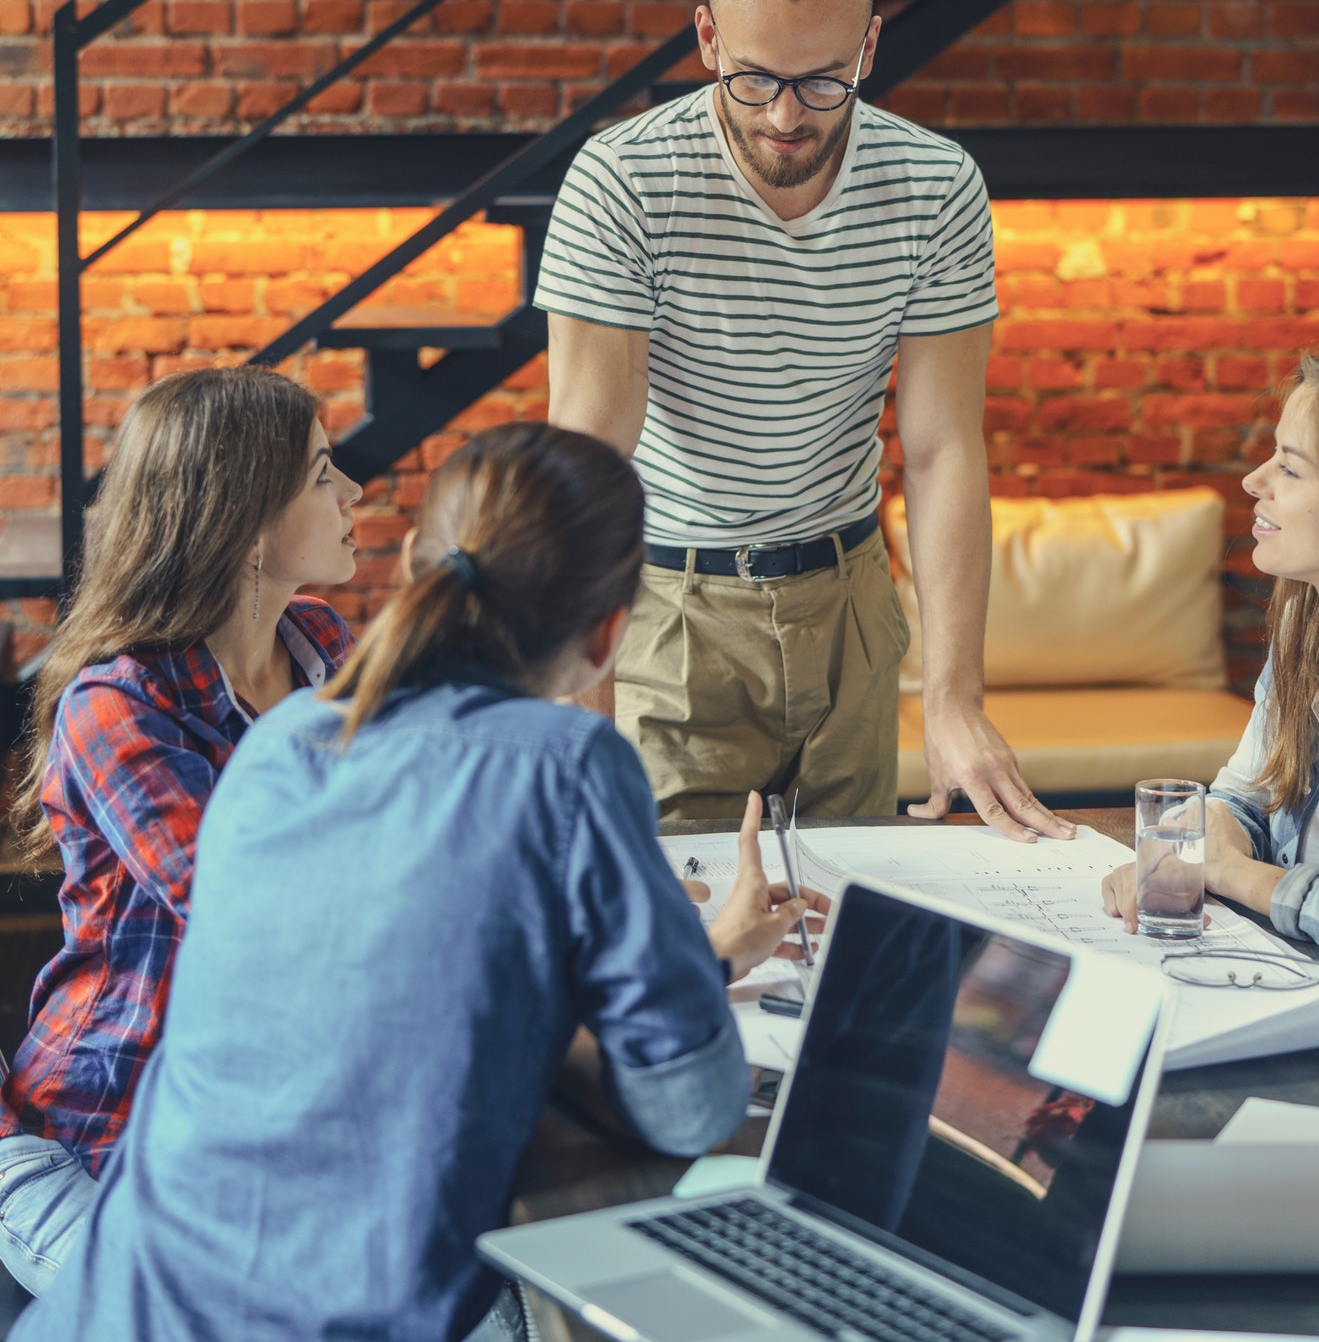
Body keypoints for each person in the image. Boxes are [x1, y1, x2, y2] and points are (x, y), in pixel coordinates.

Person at [11, 421, 825, 1342]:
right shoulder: (570, 762)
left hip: (116, 1304)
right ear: (608, 635)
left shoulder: (282, 738)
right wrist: (673, 968)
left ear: (415, 567)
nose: (351, 490)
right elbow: (688, 1103)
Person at [536, 0, 1071, 841]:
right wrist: (582, 707)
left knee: (855, 906)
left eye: (824, 82)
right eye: (755, 80)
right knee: (680, 933)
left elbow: (945, 449)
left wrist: (953, 698)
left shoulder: (937, 185)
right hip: (669, 611)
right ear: (707, 38)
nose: (786, 116)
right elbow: (588, 459)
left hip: (851, 605)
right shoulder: (622, 182)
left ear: (868, 47)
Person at [0, 367, 361, 1297]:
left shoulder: (325, 649)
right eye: (324, 473)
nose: (356, 492)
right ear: (245, 522)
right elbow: (255, 915)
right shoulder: (117, 706)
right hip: (111, 1131)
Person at [1102, 354, 1319, 947]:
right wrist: (1188, 844)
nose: (1254, 481)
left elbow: (1240, 866)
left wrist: (1237, 875)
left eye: (1290, 467)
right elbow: (1249, 796)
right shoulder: (1301, 625)